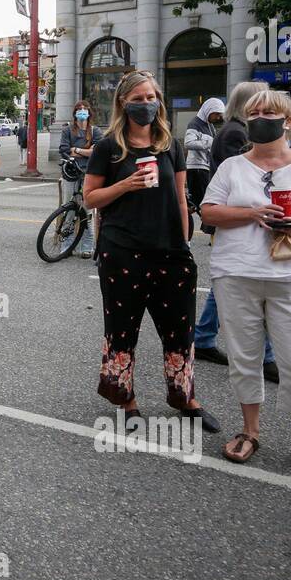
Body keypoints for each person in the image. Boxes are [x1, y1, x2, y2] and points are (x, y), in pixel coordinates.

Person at [199, 90, 291, 485]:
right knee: (244, 358)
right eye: (254, 113)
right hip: (237, 275)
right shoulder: (232, 166)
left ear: (289, 122)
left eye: (269, 112)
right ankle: (250, 432)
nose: (261, 117)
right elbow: (208, 211)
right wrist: (252, 213)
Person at [83, 71, 219, 433]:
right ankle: (126, 400)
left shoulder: (170, 144)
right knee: (122, 329)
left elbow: (179, 197)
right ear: (124, 103)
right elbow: (90, 198)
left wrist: (185, 245)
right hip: (122, 250)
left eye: (151, 97)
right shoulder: (109, 146)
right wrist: (126, 184)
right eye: (138, 98)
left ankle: (185, 398)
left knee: (179, 329)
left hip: (170, 251)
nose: (146, 104)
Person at [193, 81, 278, 383]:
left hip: (245, 220)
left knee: (229, 284)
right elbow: (240, 180)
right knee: (251, 286)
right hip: (237, 219)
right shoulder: (236, 133)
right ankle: (266, 357)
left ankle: (202, 337)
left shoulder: (236, 130)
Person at [59, 99, 104, 258]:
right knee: (69, 210)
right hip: (71, 173)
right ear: (75, 113)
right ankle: (66, 244)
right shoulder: (67, 130)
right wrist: (87, 151)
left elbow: (98, 152)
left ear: (89, 112)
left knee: (87, 210)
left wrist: (76, 149)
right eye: (79, 109)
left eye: (85, 109)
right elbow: (64, 150)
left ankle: (87, 246)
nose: (82, 111)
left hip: (89, 174)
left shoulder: (95, 131)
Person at [183, 97, 225, 210]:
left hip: (205, 167)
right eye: (216, 114)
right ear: (209, 110)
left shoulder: (210, 125)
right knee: (202, 201)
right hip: (197, 167)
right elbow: (188, 143)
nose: (218, 117)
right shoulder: (195, 124)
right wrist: (209, 142)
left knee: (203, 200)